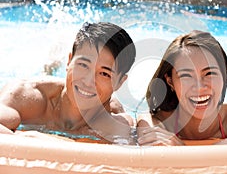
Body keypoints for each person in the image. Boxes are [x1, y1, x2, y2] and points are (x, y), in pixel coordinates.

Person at [0, 22, 136, 144]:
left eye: (104, 74)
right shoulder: (26, 96)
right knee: (48, 73)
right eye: (83, 65)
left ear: (120, 82)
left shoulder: (115, 123)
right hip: (50, 91)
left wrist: (37, 138)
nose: (88, 82)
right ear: (69, 60)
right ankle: (50, 66)